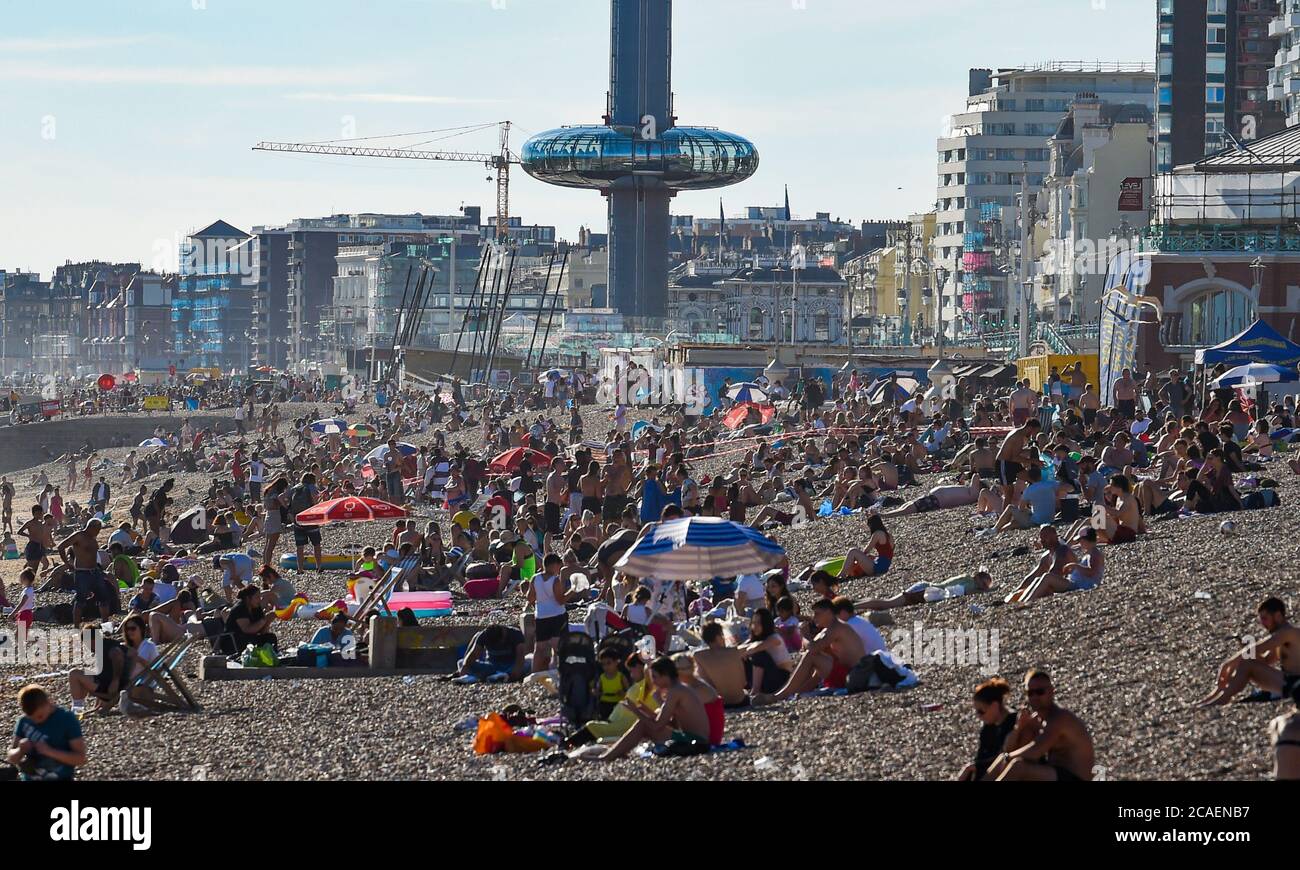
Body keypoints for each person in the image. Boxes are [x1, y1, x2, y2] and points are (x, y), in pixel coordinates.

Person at [984, 669, 1095, 781]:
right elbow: (1008, 748)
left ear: (1052, 691)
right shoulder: (1037, 719)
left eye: (1040, 692)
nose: (1035, 697)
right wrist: (1018, 728)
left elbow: (1036, 750)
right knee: (1008, 755)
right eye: (1030, 693)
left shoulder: (1060, 718)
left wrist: (1008, 757)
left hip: (1076, 777)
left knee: (1018, 766)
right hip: (1055, 773)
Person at [754, 599, 867, 703]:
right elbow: (810, 647)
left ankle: (779, 696)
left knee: (812, 656)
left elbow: (812, 648)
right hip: (850, 674)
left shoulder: (837, 627)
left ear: (828, 612)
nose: (814, 618)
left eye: (817, 614)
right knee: (815, 660)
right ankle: (793, 693)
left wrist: (805, 635)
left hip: (855, 676)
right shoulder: (829, 629)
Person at [599, 657, 711, 760]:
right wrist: (647, 711)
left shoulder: (675, 691)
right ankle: (616, 752)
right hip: (696, 739)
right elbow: (673, 724)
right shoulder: (679, 688)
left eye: (654, 677)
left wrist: (635, 710)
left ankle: (607, 756)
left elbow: (657, 726)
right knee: (645, 722)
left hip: (695, 742)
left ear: (665, 675)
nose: (653, 682)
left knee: (643, 724)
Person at [1197, 598, 1300, 707]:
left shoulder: (1288, 633)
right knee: (1247, 662)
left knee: (1246, 664)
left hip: (1295, 684)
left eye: (1265, 619)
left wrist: (1228, 664)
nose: (1263, 624)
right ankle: (1215, 696)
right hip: (1288, 681)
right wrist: (1248, 652)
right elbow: (1266, 660)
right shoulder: (1282, 635)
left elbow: (1257, 649)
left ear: (1278, 616)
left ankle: (1223, 698)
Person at [7, 685, 86, 781]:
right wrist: (20, 750)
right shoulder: (24, 721)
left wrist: (50, 751)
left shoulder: (67, 719)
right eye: (31, 718)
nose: (36, 722)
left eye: (39, 716)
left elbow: (81, 758)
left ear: (48, 703)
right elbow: (11, 758)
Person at [956, 677, 1018, 781]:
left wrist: (977, 765)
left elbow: (1004, 755)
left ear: (994, 706)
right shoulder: (988, 727)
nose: (979, 716)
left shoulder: (1014, 722)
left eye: (981, 711)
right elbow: (981, 756)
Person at [857, 569, 993, 613]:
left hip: (926, 591)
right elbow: (969, 592)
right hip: (924, 590)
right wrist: (988, 591)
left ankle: (856, 604)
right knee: (887, 604)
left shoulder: (969, 580)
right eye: (983, 584)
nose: (983, 587)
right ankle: (854, 605)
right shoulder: (969, 583)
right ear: (977, 578)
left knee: (886, 605)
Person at [1003, 525, 1074, 605]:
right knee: (1021, 591)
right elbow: (1033, 575)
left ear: (1055, 536)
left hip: (1072, 584)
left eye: (1045, 537)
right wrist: (1018, 589)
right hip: (1058, 584)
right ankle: (1009, 603)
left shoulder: (1062, 550)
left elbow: (1055, 573)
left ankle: (1024, 602)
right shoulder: (1047, 555)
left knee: (1044, 579)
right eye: (1041, 537)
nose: (1042, 540)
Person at [527, 553, 568, 673]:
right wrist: (573, 591)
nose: (559, 569)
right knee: (557, 646)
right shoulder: (555, 580)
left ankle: (534, 673)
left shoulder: (535, 578)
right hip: (557, 615)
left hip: (541, 615)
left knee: (539, 648)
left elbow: (530, 598)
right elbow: (560, 601)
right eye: (559, 566)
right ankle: (558, 672)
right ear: (554, 565)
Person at [691, 621, 749, 706]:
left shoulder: (699, 656)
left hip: (719, 702)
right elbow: (744, 682)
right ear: (718, 637)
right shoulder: (735, 652)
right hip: (740, 700)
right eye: (723, 635)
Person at [454, 624, 528, 682]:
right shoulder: (483, 635)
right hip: (492, 666)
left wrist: (514, 675)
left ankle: (500, 676)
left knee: (529, 661)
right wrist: (464, 670)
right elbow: (473, 655)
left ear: (503, 634)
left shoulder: (516, 634)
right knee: (461, 662)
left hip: (511, 666)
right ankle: (499, 676)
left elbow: (520, 659)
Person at [222, 585, 278, 654]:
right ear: (248, 598)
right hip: (233, 641)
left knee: (270, 637)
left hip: (248, 637)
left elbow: (262, 632)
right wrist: (264, 620)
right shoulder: (240, 608)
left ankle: (272, 656)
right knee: (253, 641)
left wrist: (268, 621)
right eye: (257, 597)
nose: (260, 599)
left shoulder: (256, 607)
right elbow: (247, 629)